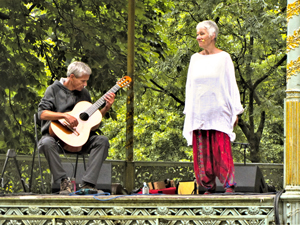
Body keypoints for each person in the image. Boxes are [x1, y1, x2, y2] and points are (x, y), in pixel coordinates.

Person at [183, 20, 244, 194]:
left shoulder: (224, 58)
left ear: (213, 35)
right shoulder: (195, 59)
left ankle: (228, 185)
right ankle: (207, 185)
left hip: (219, 111)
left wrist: (235, 110)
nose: (198, 37)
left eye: (202, 33)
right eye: (197, 34)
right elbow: (190, 86)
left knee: (221, 149)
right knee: (202, 151)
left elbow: (231, 84)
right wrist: (189, 111)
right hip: (199, 112)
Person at [38, 61, 115, 194]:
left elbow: (91, 121)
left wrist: (106, 108)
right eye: (83, 81)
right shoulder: (53, 90)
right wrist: (63, 116)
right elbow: (42, 114)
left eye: (86, 81)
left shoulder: (84, 93)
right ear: (72, 77)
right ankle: (63, 182)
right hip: (56, 139)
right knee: (45, 143)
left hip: (79, 138)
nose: (85, 84)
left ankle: (88, 184)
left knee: (102, 141)